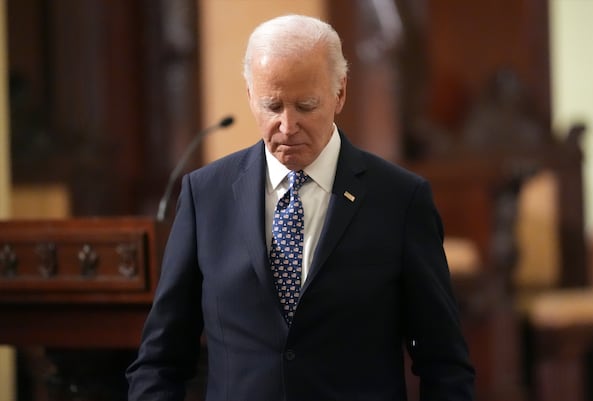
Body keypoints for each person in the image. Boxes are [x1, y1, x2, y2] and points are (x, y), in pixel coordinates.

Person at [126, 14, 475, 401]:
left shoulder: (400, 199)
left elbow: (444, 364)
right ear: (248, 94)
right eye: (271, 106)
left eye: (306, 106)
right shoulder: (205, 195)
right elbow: (160, 360)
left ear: (340, 92)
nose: (287, 126)